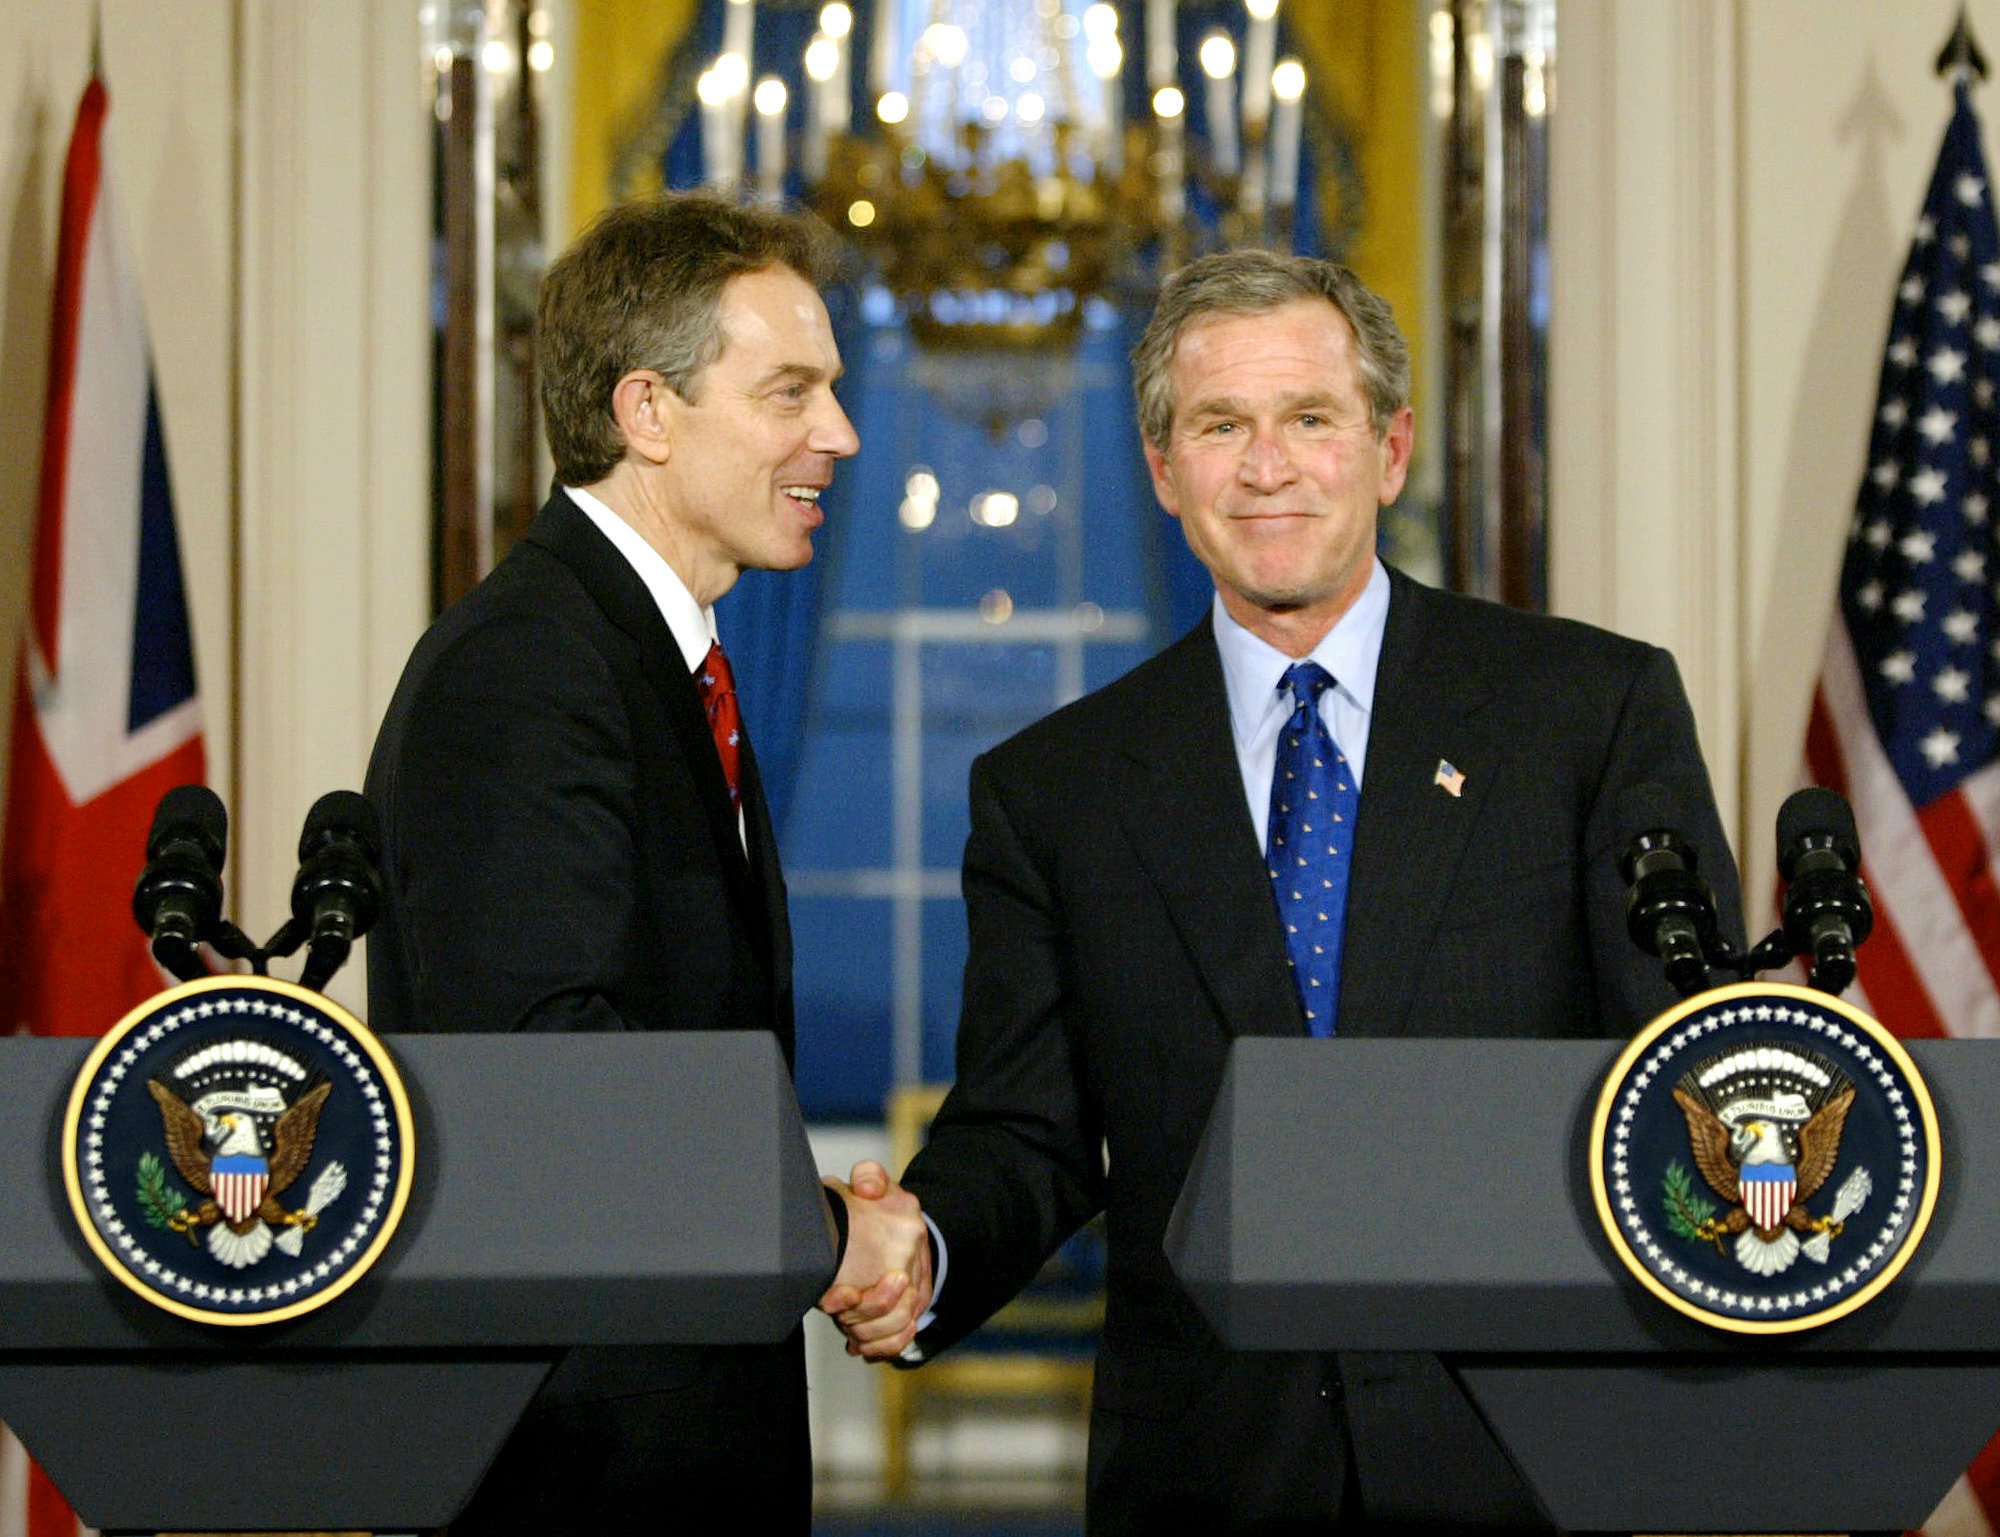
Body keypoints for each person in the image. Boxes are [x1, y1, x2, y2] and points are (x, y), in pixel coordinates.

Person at [831, 249, 1743, 1533]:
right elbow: (1025, 1132)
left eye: (1309, 418)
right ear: (1161, 470)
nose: (1267, 467)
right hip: (1207, 1478)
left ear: (1389, 447)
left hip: (1531, 1466)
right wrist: (919, 1255)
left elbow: (1683, 1079)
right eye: (1220, 426)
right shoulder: (1055, 789)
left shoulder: (1590, 716)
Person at [366, 193, 930, 1534]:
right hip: (573, 1468)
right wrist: (826, 1232)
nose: (838, 435)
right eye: (789, 390)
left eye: (834, 392)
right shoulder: (526, 672)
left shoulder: (647, 663)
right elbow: (552, 1084)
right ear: (648, 412)